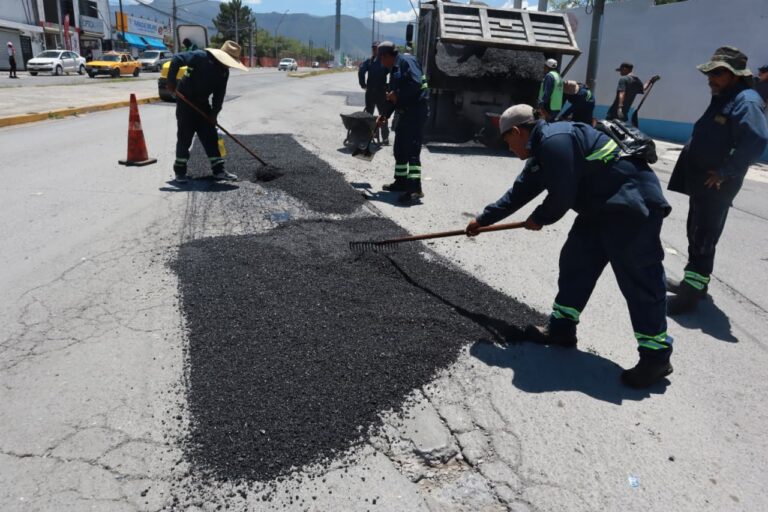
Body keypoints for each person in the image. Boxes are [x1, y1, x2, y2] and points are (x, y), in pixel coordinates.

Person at [466, 105, 673, 388]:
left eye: (507, 141)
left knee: (640, 280)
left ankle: (656, 356)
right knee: (575, 264)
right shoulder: (542, 151)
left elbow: (562, 196)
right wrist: (483, 220)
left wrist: (540, 218)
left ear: (517, 131)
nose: (509, 149)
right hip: (598, 209)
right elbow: (520, 192)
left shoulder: (554, 141)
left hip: (631, 205)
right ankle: (562, 329)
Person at [667, 47, 768, 315]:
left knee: (704, 236)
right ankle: (694, 283)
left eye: (718, 72)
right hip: (703, 179)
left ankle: (691, 294)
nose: (711, 77)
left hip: (717, 183)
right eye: (710, 72)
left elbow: (756, 140)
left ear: (735, 75)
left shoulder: (746, 101)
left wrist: (726, 171)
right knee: (696, 231)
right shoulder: (726, 94)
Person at [166, 41, 247, 183]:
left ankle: (219, 171)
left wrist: (214, 114)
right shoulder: (200, 56)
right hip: (185, 102)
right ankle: (180, 172)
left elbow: (219, 95)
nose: (228, 65)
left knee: (211, 137)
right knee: (185, 138)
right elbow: (177, 58)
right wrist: (171, 82)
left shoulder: (223, 72)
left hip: (202, 105)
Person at [375, 41, 429, 203]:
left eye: (381, 59)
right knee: (399, 149)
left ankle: (415, 189)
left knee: (412, 151)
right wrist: (384, 114)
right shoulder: (394, 69)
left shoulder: (407, 62)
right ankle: (401, 182)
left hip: (416, 113)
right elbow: (393, 97)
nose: (381, 63)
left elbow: (416, 83)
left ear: (386, 56)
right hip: (404, 113)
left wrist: (397, 94)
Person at [358, 42, 391, 144]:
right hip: (374, 92)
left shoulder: (374, 61)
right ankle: (372, 135)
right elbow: (361, 71)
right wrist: (363, 84)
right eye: (373, 48)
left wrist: (389, 86)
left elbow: (394, 72)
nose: (374, 50)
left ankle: (383, 137)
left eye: (376, 48)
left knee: (381, 115)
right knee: (369, 115)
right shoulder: (371, 62)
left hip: (379, 92)